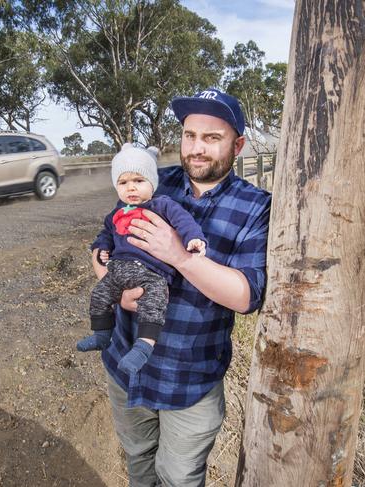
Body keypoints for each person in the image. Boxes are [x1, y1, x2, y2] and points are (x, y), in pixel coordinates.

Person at [90, 89, 271, 487]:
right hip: (126, 365)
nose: (197, 148)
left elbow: (245, 295)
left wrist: (180, 255)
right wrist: (113, 287)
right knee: (138, 461)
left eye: (212, 138)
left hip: (189, 378)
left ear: (237, 145)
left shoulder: (256, 206)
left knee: (178, 477)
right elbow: (104, 241)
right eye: (190, 136)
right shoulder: (156, 183)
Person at [76, 143, 207, 376]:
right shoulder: (117, 211)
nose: (131, 188)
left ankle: (144, 347)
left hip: (152, 273)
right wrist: (101, 248)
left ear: (152, 183)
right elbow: (105, 233)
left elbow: (183, 221)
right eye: (123, 183)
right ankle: (101, 335)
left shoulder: (161, 204)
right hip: (118, 271)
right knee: (99, 294)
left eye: (138, 180)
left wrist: (194, 238)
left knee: (154, 303)